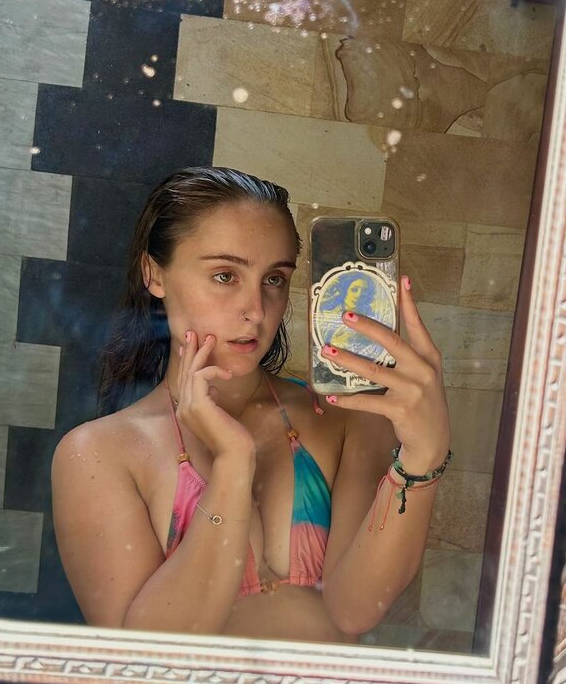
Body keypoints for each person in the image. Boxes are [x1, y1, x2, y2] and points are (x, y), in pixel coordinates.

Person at [52, 167, 451, 644]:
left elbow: (356, 611)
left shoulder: (346, 418)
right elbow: (150, 653)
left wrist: (423, 456)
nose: (256, 310)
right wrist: (233, 464)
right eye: (225, 275)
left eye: (274, 279)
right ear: (154, 274)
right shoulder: (98, 454)